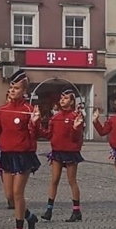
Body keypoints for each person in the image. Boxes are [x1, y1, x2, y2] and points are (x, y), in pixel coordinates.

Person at [0, 71, 42, 229]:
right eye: (11, 86)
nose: (12, 90)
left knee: (18, 193)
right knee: (10, 195)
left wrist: (34, 122)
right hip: (6, 154)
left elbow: (35, 135)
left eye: (16, 88)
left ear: (23, 91)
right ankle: (30, 217)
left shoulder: (28, 110)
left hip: (23, 155)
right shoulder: (2, 110)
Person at [41, 89, 86, 222]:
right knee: (54, 180)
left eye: (65, 98)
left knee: (72, 180)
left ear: (72, 101)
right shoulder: (55, 117)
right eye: (61, 98)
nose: (62, 100)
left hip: (71, 152)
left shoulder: (75, 117)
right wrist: (37, 123)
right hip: (57, 151)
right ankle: (49, 209)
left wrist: (76, 128)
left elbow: (76, 138)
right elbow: (48, 134)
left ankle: (76, 210)